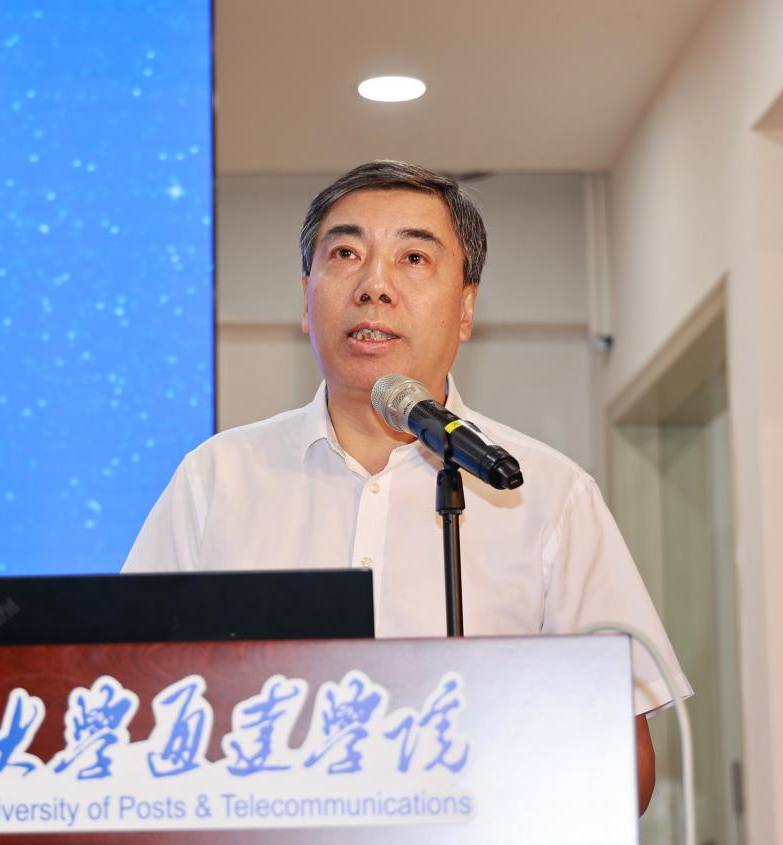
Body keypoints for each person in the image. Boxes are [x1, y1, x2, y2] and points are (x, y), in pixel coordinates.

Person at [122, 160, 691, 813]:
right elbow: (120, 691)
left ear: (466, 307)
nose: (373, 286)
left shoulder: (545, 493)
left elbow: (624, 764)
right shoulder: (215, 479)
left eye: (413, 258)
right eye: (344, 254)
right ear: (305, 297)